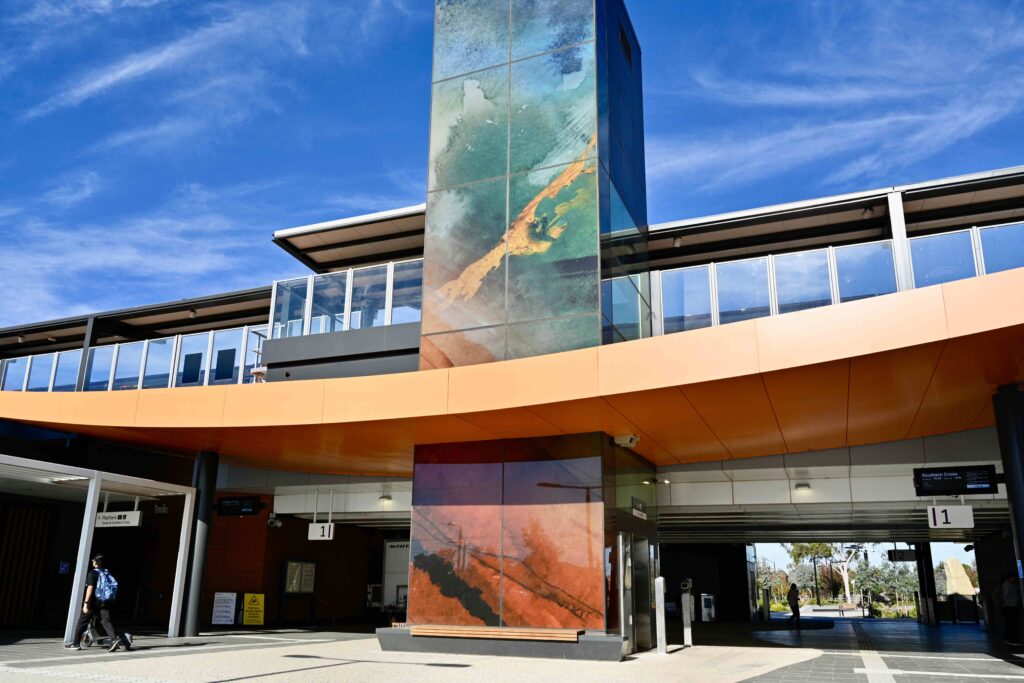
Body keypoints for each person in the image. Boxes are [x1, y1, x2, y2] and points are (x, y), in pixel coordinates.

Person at [65, 554, 132, 652]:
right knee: (105, 620)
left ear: (96, 562)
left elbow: (90, 588)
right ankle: (114, 640)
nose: (92, 561)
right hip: (105, 601)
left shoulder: (93, 573)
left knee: (82, 622)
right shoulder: (107, 572)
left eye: (93, 560)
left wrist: (86, 603)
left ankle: (75, 644)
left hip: (93, 602)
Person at [1001, 574, 1021, 646]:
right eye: (1014, 578)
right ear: (1011, 577)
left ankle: (1009, 639)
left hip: (1011, 606)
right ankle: (1009, 639)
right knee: (1011, 623)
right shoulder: (1007, 585)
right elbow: (1006, 595)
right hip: (1010, 606)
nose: (1015, 580)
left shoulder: (1010, 584)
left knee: (1011, 623)